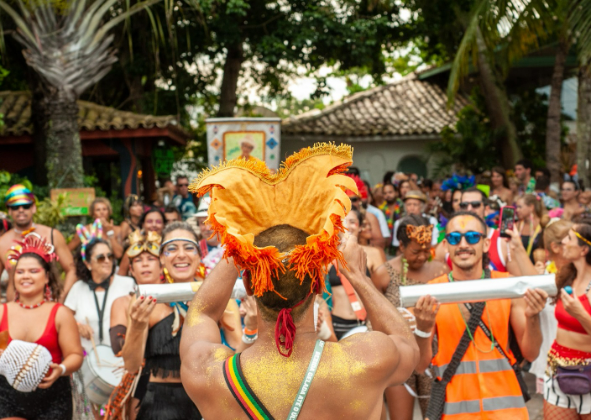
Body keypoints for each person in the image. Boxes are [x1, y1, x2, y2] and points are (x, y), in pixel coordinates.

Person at [180, 143, 419, 419]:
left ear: (248, 286)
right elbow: (406, 345)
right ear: (318, 284)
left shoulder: (208, 373)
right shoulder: (366, 360)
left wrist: (240, 241)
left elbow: (202, 314)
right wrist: (356, 275)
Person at [416, 211, 547, 419]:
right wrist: (422, 330)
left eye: (472, 237)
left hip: (507, 411)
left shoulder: (507, 286)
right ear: (446, 246)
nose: (463, 244)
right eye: (454, 238)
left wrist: (533, 317)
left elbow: (530, 354)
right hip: (455, 413)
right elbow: (420, 365)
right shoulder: (433, 292)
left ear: (486, 244)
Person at [109, 224, 203, 420]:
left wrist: (251, 330)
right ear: (163, 258)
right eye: (172, 248)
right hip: (159, 402)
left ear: (199, 254)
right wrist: (136, 325)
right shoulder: (143, 301)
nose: (181, 255)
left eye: (188, 247)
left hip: (206, 399)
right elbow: (131, 363)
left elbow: (237, 348)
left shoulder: (215, 297)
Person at [0, 233, 84, 419]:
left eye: (33, 271)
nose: (25, 276)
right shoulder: (1, 312)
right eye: (20, 272)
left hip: (52, 394)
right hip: (8, 394)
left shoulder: (60, 313)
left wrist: (60, 370)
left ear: (47, 277)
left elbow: (76, 355)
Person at [372, 215, 448, 420]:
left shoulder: (441, 270)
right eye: (416, 251)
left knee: (435, 416)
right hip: (398, 358)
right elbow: (374, 320)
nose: (423, 256)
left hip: (434, 355)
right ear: (401, 247)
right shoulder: (383, 274)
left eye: (427, 250)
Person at [65, 224, 136, 353]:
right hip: (88, 361)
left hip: (121, 359)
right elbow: (65, 317)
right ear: (88, 264)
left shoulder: (127, 284)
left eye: (110, 256)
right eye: (101, 257)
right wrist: (78, 326)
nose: (107, 261)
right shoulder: (78, 288)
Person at [544, 223, 591, 418]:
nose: (563, 241)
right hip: (557, 370)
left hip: (588, 374)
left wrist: (581, 314)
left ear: (584, 249)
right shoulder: (566, 276)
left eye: (569, 238)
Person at [0, 184, 77, 301]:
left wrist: (61, 298)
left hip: (48, 303)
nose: (21, 210)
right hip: (15, 308)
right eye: (15, 207)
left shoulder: (52, 235)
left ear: (34, 208)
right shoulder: (2, 242)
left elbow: (72, 269)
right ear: (9, 211)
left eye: (26, 206)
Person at [529, 219, 573, 395]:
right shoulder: (542, 275)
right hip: (550, 366)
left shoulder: (584, 273)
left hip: (582, 366)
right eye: (570, 238)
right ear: (555, 247)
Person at [328, 208, 385, 339]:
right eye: (343, 222)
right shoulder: (328, 257)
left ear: (360, 226)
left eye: (352, 221)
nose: (347, 226)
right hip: (338, 324)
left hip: (368, 323)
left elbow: (381, 291)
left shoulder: (374, 253)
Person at [457, 187, 537, 276]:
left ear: (486, 210)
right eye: (464, 205)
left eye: (475, 205)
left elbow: (520, 282)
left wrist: (518, 247)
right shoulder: (451, 242)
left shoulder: (502, 242)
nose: (469, 209)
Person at [118, 207, 166, 276]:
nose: (154, 225)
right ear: (143, 225)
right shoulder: (134, 247)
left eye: (158, 222)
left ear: (164, 225)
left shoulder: (168, 247)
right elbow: (121, 276)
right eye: (149, 221)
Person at [516, 193, 549, 259]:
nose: (517, 210)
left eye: (520, 207)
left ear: (531, 207)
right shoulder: (517, 225)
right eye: (517, 207)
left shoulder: (543, 224)